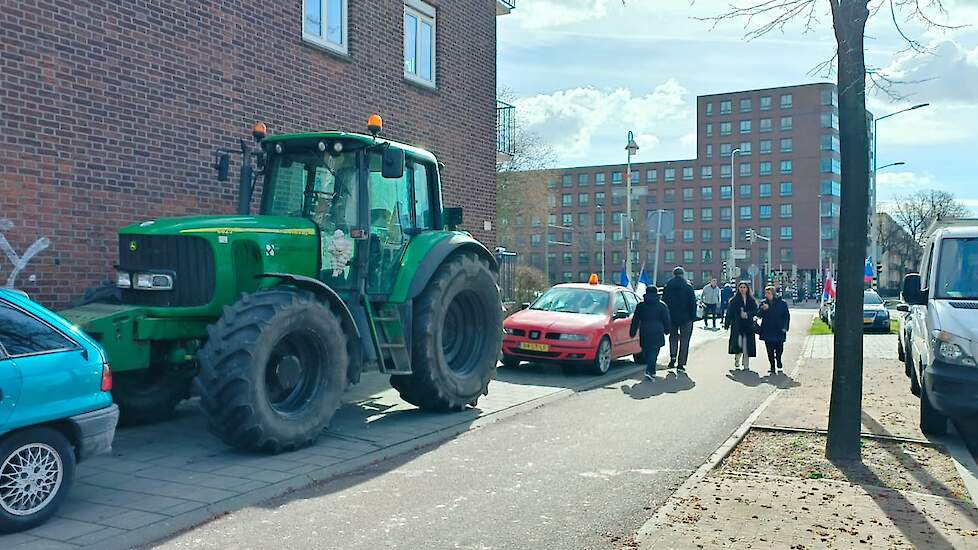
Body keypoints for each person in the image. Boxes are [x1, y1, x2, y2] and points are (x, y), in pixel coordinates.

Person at [630, 286, 672, 380]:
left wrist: (632, 332)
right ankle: (650, 370)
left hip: (644, 330)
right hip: (657, 330)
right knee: (654, 351)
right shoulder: (662, 305)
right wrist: (667, 330)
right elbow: (666, 319)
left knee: (646, 351)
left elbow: (635, 319)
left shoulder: (641, 305)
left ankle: (650, 370)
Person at [662, 266, 697, 371]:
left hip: (671, 317)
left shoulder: (668, 286)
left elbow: (664, 302)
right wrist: (693, 317)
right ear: (683, 274)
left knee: (673, 338)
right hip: (686, 318)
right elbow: (693, 304)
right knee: (684, 340)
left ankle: (672, 357)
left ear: (674, 274)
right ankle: (681, 364)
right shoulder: (688, 287)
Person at [725, 281, 758, 370]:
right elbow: (729, 313)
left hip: (748, 325)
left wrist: (748, 314)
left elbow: (756, 310)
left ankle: (746, 363)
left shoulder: (751, 300)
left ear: (747, 289)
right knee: (738, 344)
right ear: (738, 289)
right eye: (741, 287)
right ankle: (737, 359)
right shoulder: (734, 300)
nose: (742, 289)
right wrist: (727, 324)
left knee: (747, 345)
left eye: (744, 287)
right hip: (737, 325)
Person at [757, 285, 790, 374]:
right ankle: (772, 366)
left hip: (779, 329)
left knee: (779, 348)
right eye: (766, 293)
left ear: (773, 293)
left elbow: (786, 316)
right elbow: (758, 315)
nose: (766, 295)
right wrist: (763, 309)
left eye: (768, 293)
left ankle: (778, 360)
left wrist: (785, 327)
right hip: (767, 329)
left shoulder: (782, 303)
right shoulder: (763, 303)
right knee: (769, 349)